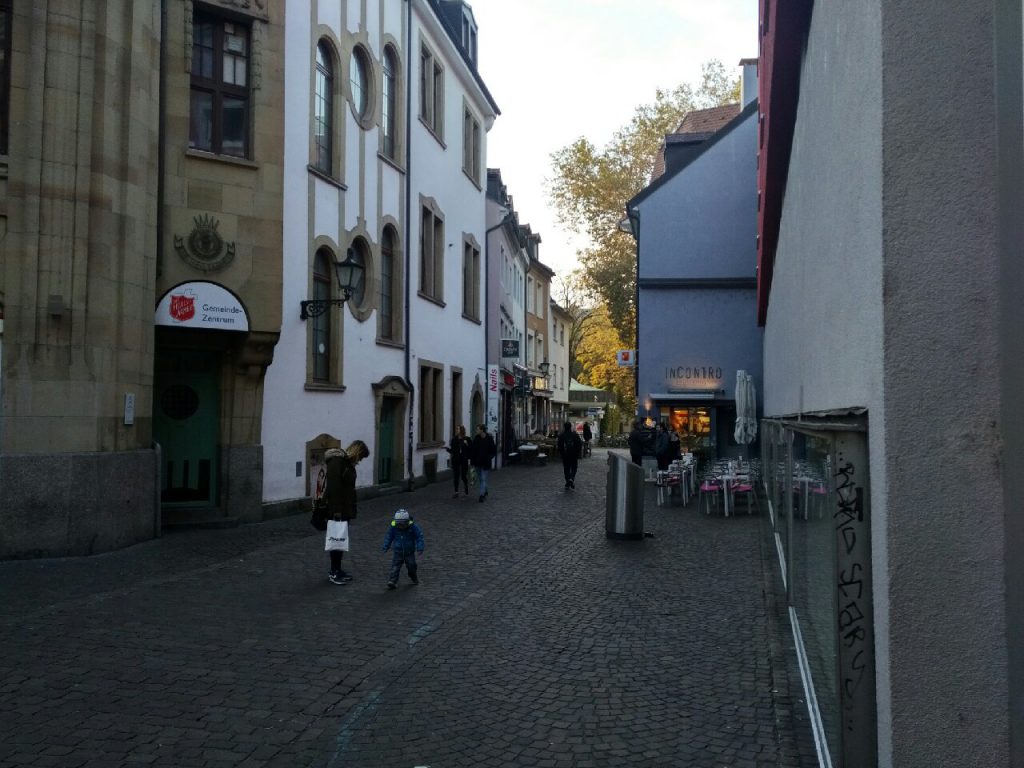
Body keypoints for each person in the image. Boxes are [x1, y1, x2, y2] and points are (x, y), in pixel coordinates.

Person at [324, 439, 370, 585]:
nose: (360, 461)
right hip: (337, 510)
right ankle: (333, 571)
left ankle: (338, 569)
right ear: (357, 452)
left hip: (345, 508)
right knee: (336, 541)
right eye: (361, 457)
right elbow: (334, 488)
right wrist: (337, 510)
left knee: (340, 540)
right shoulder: (337, 463)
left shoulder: (346, 463)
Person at [381, 509, 425, 589]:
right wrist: (386, 546)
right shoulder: (394, 527)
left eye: (403, 524)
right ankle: (392, 581)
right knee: (395, 567)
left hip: (409, 552)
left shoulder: (413, 527)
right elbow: (389, 537)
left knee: (412, 566)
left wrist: (420, 547)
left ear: (407, 522)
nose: (401, 527)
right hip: (398, 552)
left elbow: (419, 537)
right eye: (399, 524)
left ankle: (413, 576)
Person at [470, 423, 497, 502]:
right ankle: (485, 491)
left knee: (483, 478)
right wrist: (472, 462)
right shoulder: (476, 438)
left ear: (482, 430)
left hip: (486, 463)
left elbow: (493, 451)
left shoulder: (489, 439)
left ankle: (481, 495)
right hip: (477, 463)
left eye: (478, 429)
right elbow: (473, 451)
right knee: (481, 479)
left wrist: (489, 458)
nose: (476, 430)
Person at [557, 421, 583, 489]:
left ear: (564, 427)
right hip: (573, 454)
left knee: (566, 468)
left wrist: (561, 453)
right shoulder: (575, 435)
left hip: (565, 455)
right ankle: (571, 478)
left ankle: (567, 481)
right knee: (574, 467)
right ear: (570, 427)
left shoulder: (561, 435)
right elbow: (579, 445)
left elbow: (559, 446)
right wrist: (578, 453)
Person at [446, 424, 471, 498]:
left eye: (458, 429)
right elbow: (453, 451)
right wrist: (447, 449)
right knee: (456, 476)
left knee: (463, 476)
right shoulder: (454, 439)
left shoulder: (467, 439)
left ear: (462, 430)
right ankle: (456, 492)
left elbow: (470, 449)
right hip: (456, 460)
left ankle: (466, 489)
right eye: (456, 429)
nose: (457, 430)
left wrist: (467, 445)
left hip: (464, 460)